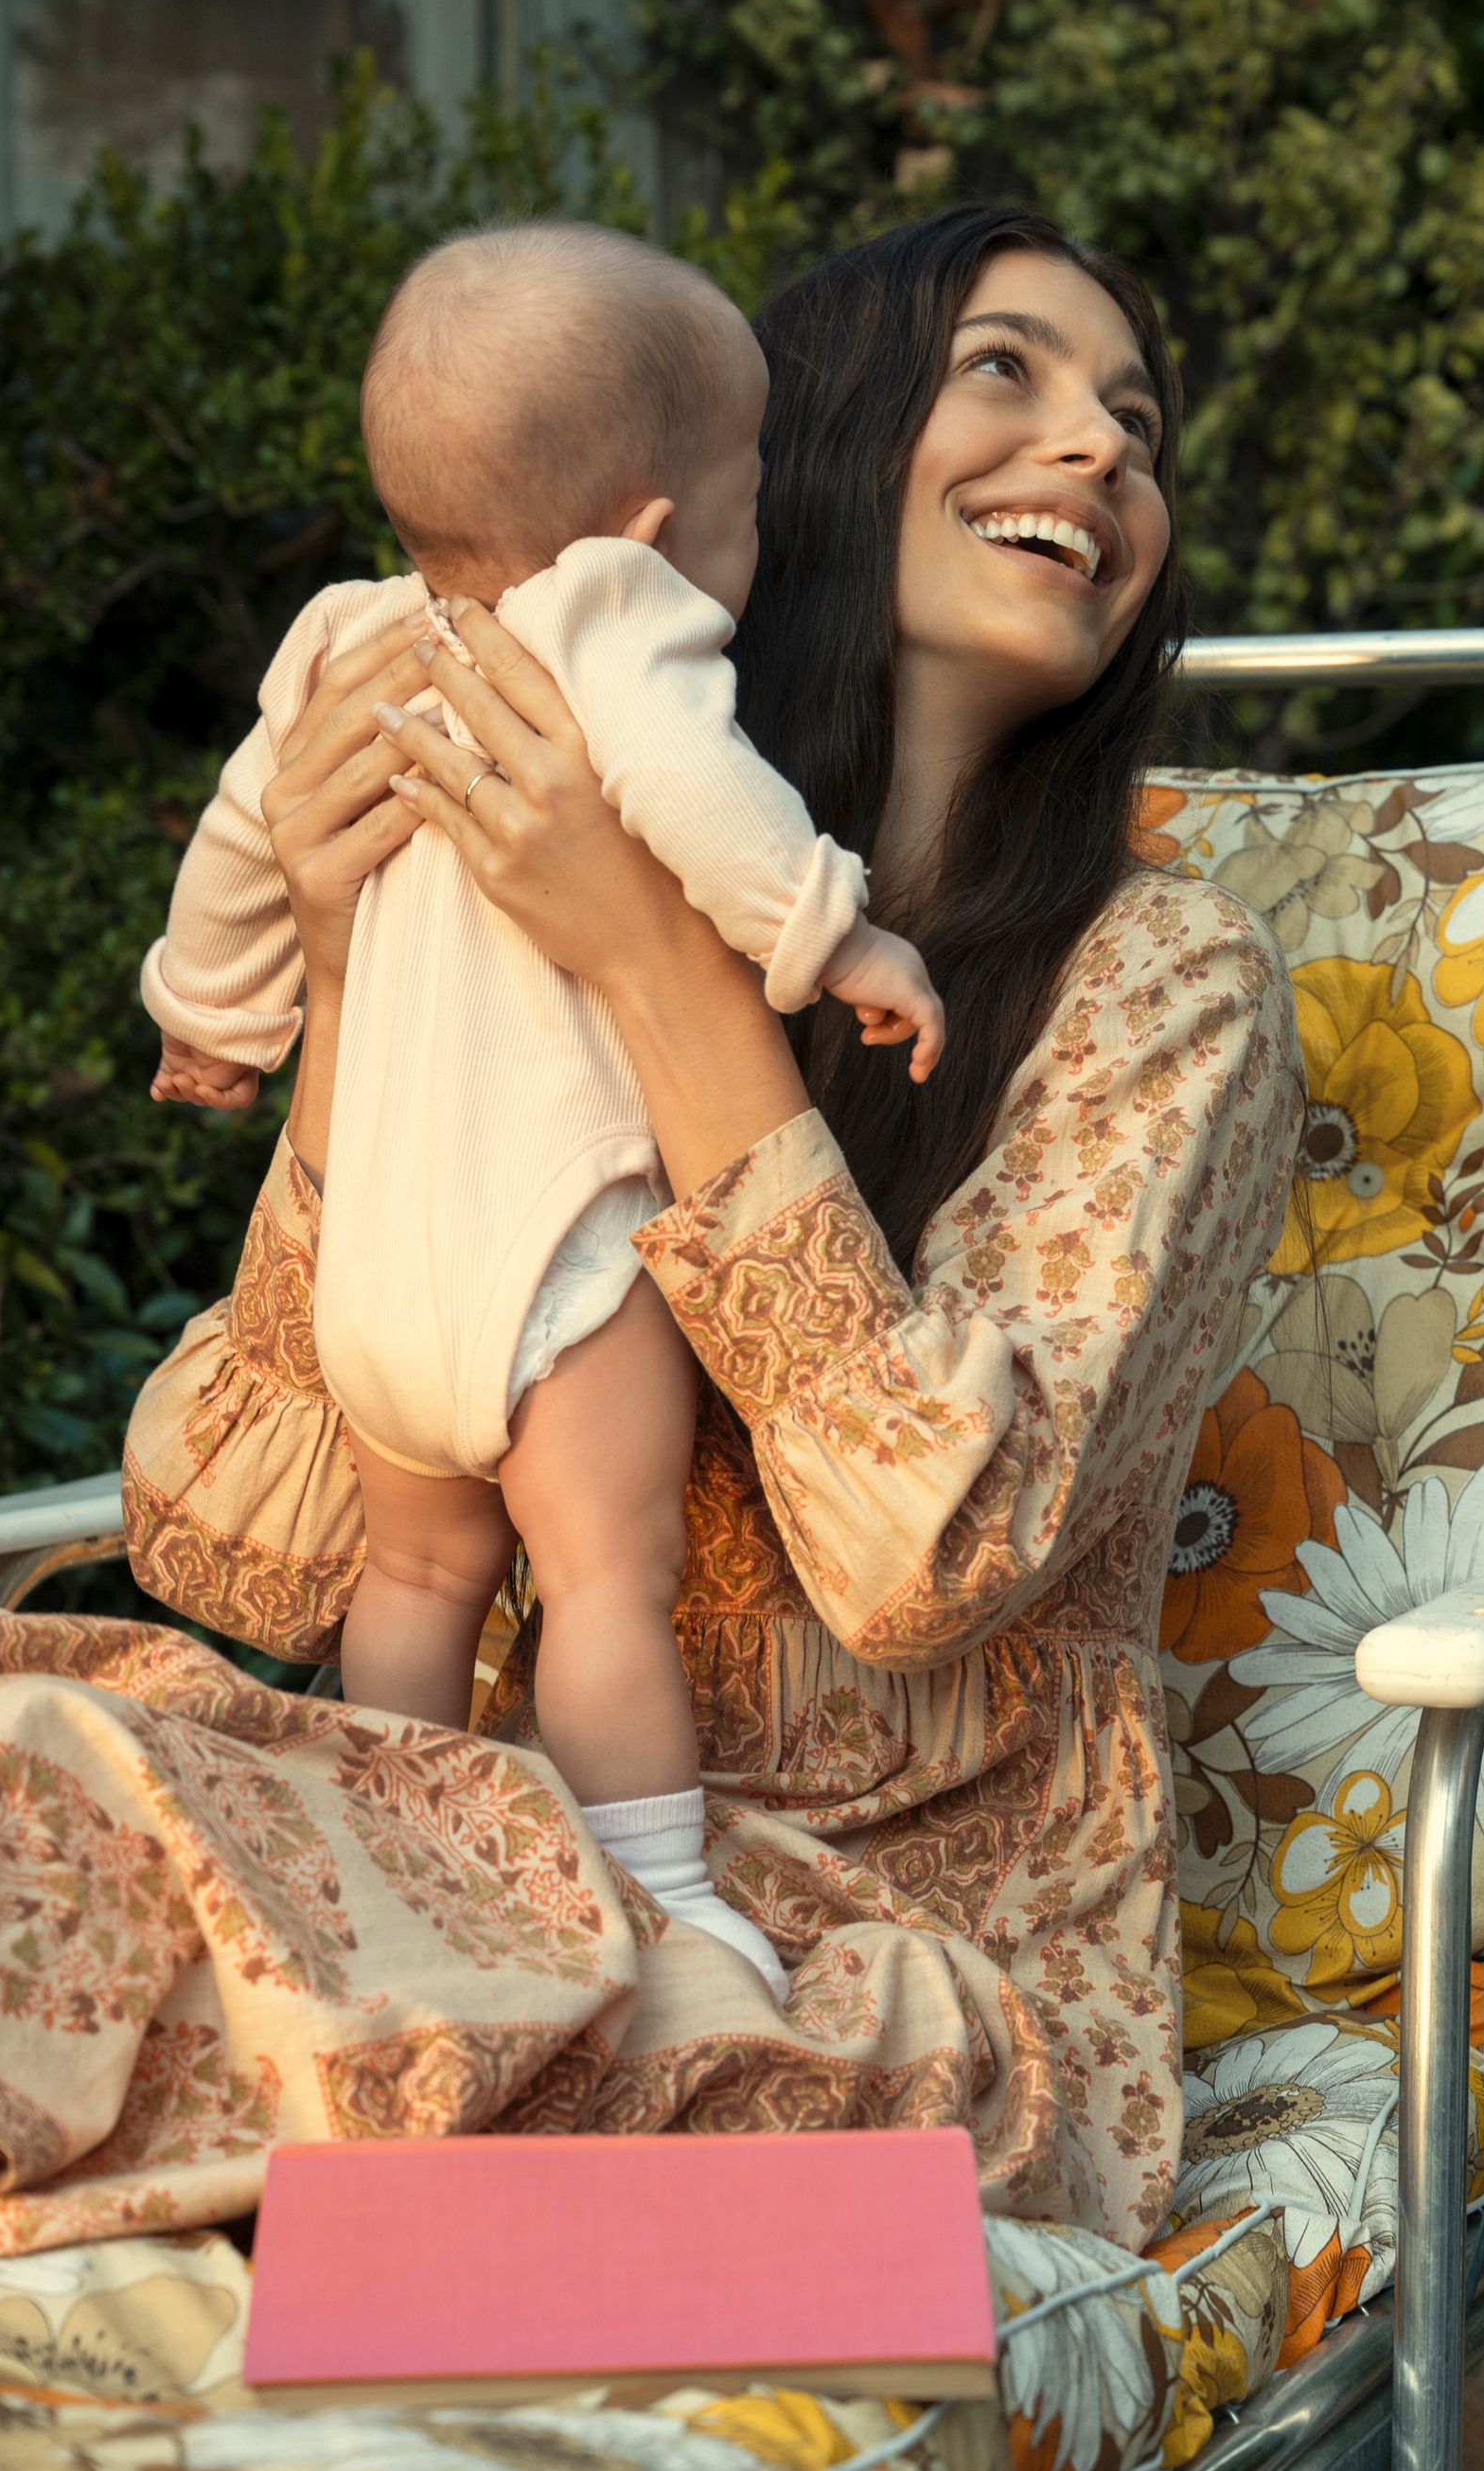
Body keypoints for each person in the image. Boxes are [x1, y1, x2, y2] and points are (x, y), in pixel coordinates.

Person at [0, 204, 1303, 2288]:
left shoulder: (1168, 987)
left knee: (47, 1788)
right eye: (1009, 373)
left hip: (877, 1983)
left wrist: (659, 969)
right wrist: (341, 989)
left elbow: (920, 1555)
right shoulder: (496, 906)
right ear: (790, 464)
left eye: (1136, 419)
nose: (1102, 449)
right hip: (465, 1881)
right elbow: (246, 1547)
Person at [139, 225, 941, 2001]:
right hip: (558, 1237)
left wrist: (214, 1017)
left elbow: (243, 845)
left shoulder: (342, 642)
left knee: (418, 1578)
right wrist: (838, 930)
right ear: (652, 527)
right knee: (600, 1574)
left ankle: (398, 1855)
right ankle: (652, 1887)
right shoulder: (612, 619)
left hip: (380, 1268)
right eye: (746, 501)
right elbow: (697, 792)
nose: (757, 541)